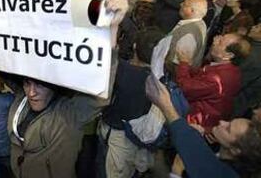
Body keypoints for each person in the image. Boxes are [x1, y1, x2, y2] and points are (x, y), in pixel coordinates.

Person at [0, 0, 130, 178]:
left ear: (55, 86)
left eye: (40, 86)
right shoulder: (22, 96)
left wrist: (111, 28)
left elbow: (100, 87)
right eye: (27, 83)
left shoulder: (70, 114)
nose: (31, 92)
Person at [145, 74, 261, 178]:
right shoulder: (218, 145)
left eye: (228, 129)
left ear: (235, 150)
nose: (222, 122)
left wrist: (176, 173)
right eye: (229, 122)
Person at [99, 28, 165, 178]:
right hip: (139, 140)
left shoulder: (120, 70)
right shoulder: (161, 79)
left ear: (135, 46)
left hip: (117, 136)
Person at [175, 33, 251, 130]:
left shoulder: (217, 79)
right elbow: (201, 74)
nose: (215, 41)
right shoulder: (230, 69)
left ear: (229, 55)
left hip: (195, 123)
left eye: (220, 42)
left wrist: (183, 64)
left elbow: (184, 88)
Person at [165, 0, 208, 75]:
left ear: (192, 11)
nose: (181, 4)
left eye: (185, 4)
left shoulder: (189, 34)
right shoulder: (201, 23)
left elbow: (178, 63)